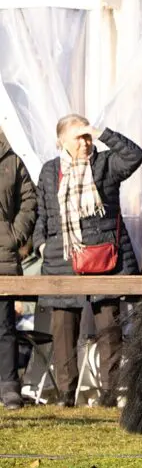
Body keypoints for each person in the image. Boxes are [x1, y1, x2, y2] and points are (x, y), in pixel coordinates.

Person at [33, 114, 142, 408]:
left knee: (109, 328)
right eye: (78, 137)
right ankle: (66, 395)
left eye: (86, 136)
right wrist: (41, 244)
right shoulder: (50, 170)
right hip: (62, 257)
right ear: (61, 141)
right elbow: (44, 213)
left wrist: (101, 132)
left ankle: (109, 394)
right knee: (63, 329)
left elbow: (135, 156)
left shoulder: (106, 163)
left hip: (104, 256)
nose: (84, 142)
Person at [0, 128, 37, 410]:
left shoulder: (11, 160)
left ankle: (9, 386)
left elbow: (29, 200)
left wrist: (13, 235)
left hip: (2, 257)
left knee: (4, 327)